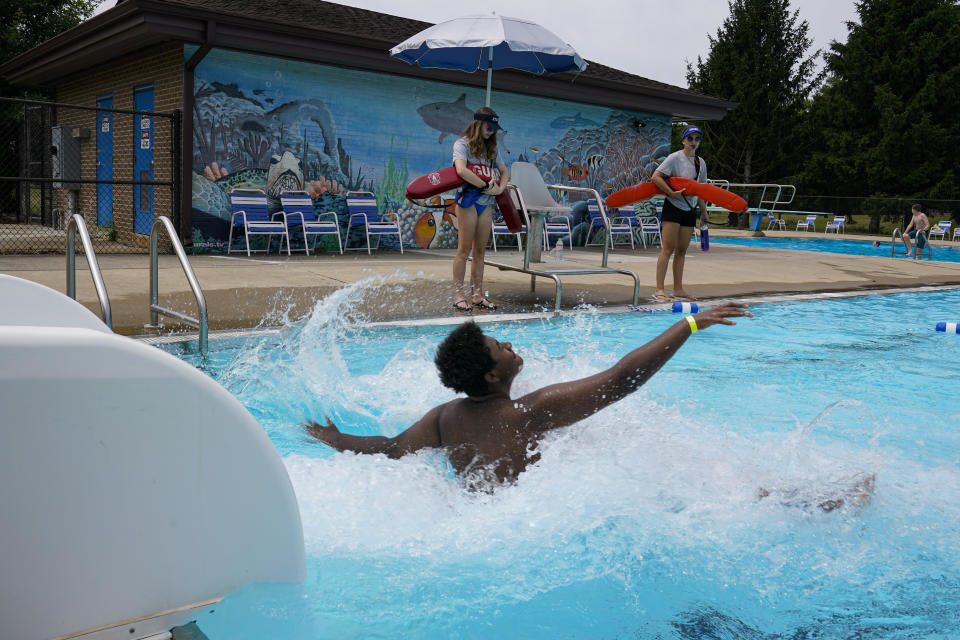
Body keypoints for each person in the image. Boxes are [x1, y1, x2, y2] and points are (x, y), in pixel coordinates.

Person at [305, 302, 754, 488]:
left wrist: (336, 439)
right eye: (500, 348)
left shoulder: (443, 417)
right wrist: (691, 323)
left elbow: (389, 449)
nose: (510, 346)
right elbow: (622, 380)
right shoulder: (529, 413)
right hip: (525, 524)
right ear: (493, 378)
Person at [450, 107, 509, 313]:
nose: (492, 131)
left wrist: (500, 188)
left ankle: (477, 295)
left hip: (487, 203)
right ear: (478, 124)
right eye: (488, 126)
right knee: (464, 250)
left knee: (480, 251)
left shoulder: (492, 149)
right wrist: (485, 186)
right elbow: (461, 169)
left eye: (495, 128)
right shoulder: (462, 144)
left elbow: (503, 171)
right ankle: (459, 295)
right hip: (468, 200)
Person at [650, 126, 709, 302]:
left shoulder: (701, 163)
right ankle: (659, 289)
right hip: (673, 206)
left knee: (682, 251)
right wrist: (670, 192)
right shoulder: (674, 158)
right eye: (690, 138)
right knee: (667, 249)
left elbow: (700, 190)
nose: (693, 142)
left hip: (690, 209)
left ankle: (678, 289)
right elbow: (656, 177)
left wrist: (704, 212)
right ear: (683, 140)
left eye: (697, 139)